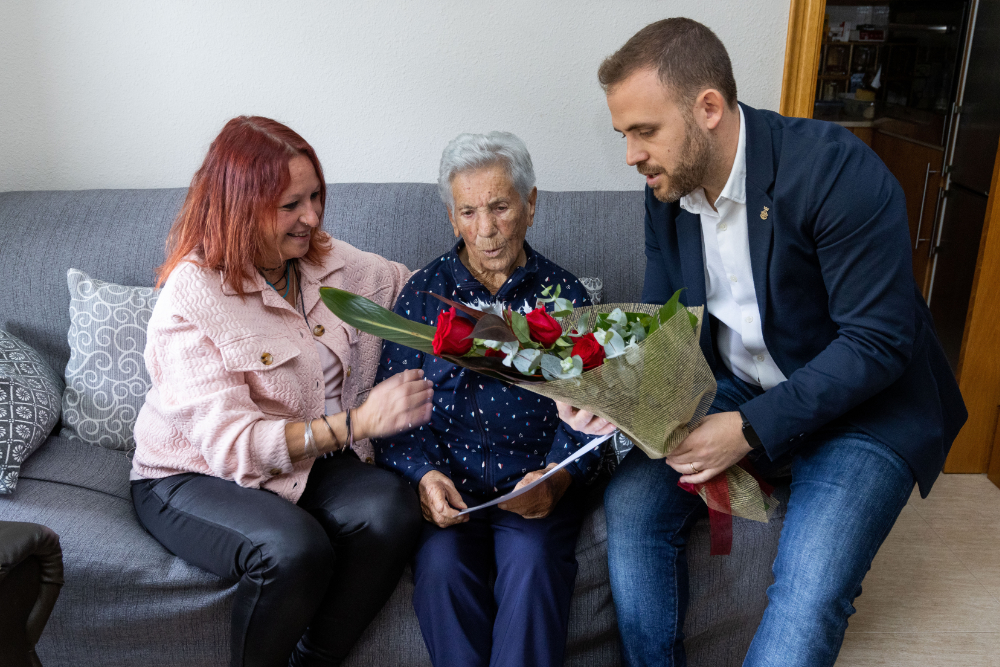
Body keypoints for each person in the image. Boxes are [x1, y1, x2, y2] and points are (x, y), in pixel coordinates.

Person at [557, 18, 967, 667]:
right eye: (623, 135)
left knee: (809, 587)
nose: (631, 154)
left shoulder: (833, 170)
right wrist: (613, 396)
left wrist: (746, 428)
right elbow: (670, 330)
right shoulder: (664, 196)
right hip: (744, 381)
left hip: (866, 407)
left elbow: (879, 342)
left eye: (644, 130)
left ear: (709, 108)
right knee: (631, 503)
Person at [130, 116, 435, 667]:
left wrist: (515, 329)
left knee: (391, 508)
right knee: (294, 550)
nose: (312, 217)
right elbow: (234, 449)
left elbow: (420, 293)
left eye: (315, 196)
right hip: (192, 474)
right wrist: (360, 424)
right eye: (291, 204)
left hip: (307, 461)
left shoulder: (327, 259)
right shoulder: (192, 293)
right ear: (240, 204)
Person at [373, 131, 602, 667]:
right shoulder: (423, 295)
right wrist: (425, 478)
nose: (487, 229)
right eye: (469, 212)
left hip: (535, 488)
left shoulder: (564, 298)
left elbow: (596, 418)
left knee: (534, 562)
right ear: (452, 218)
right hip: (451, 493)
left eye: (500, 207)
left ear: (530, 204)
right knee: (443, 570)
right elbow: (396, 414)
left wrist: (555, 477)